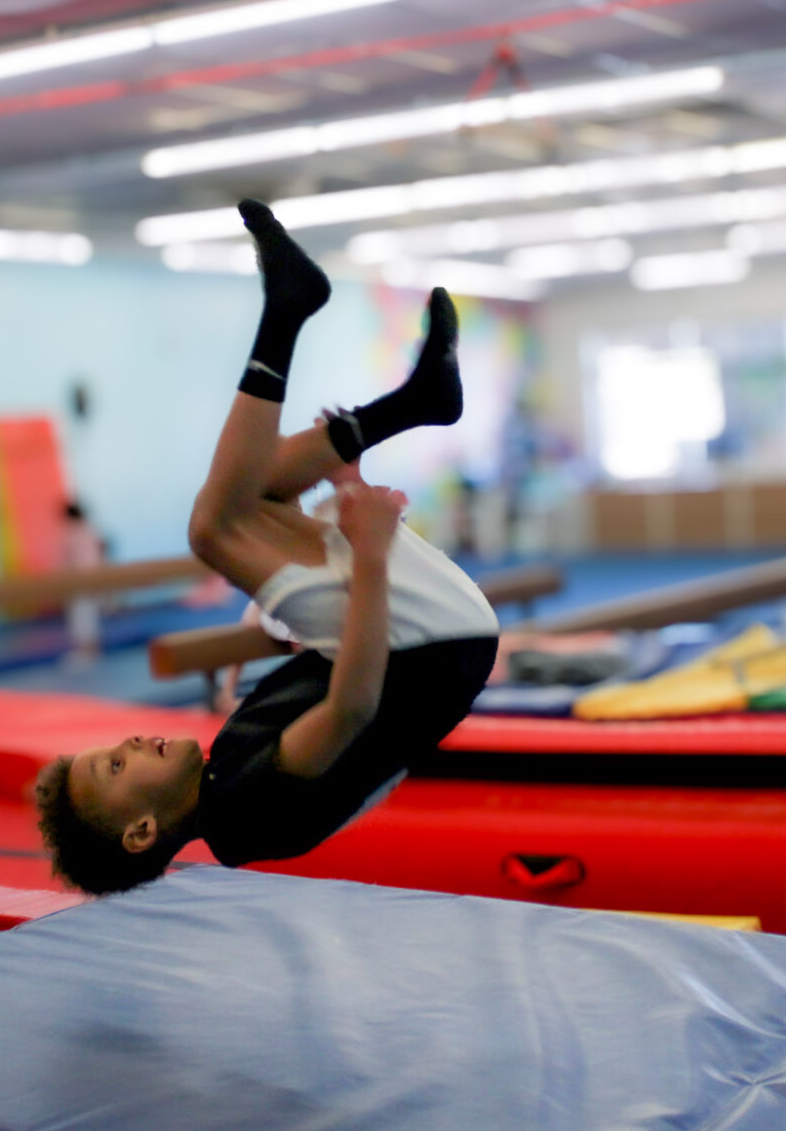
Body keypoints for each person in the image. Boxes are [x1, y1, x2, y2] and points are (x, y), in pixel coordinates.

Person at [33, 201, 493, 894]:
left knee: (261, 494)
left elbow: (341, 714)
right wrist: (367, 554)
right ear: (141, 831)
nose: (129, 743)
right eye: (118, 767)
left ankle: (417, 398)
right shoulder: (248, 809)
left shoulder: (225, 784)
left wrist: (338, 494)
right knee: (213, 529)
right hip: (430, 650)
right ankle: (289, 313)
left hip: (435, 649)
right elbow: (353, 707)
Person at [59, 499, 105, 664]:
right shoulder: (90, 529)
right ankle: (89, 650)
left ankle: (87, 651)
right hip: (88, 578)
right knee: (86, 614)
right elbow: (99, 554)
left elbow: (73, 560)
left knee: (82, 615)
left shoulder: (75, 532)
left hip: (81, 579)